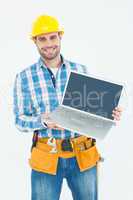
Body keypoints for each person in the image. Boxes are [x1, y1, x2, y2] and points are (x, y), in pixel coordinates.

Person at [13, 14, 122, 200]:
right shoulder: (24, 77)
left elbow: (92, 112)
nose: (48, 43)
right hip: (46, 155)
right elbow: (19, 120)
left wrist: (109, 114)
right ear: (35, 42)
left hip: (83, 154)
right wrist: (43, 121)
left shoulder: (80, 70)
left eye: (53, 37)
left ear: (60, 36)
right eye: (42, 39)